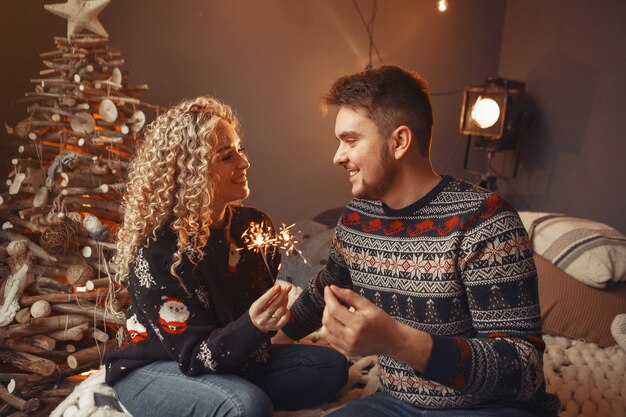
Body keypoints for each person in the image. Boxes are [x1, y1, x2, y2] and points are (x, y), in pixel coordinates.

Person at [272, 66, 560, 417]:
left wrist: (397, 342)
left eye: (350, 140)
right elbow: (324, 291)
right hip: (397, 404)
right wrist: (263, 342)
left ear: (399, 141)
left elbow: (524, 369)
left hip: (488, 408)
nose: (338, 156)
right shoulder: (357, 218)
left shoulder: (485, 220)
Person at [104, 96, 348, 417]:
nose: (244, 163)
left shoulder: (254, 226)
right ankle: (225, 399)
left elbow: (252, 328)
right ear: (190, 170)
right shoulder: (157, 250)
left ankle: (222, 397)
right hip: (159, 365)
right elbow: (194, 357)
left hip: (228, 356)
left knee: (330, 367)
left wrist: (263, 326)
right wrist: (253, 326)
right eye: (226, 156)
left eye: (240, 151)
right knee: (246, 405)